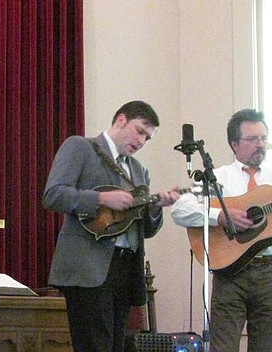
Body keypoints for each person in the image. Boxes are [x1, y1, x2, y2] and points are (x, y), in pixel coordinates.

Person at [171, 108, 272, 352]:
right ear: (234, 144)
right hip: (230, 273)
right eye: (252, 139)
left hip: (271, 273)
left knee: (265, 347)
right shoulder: (216, 178)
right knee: (223, 347)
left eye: (264, 138)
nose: (260, 145)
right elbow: (180, 209)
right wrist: (221, 217)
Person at [43, 100, 182, 352]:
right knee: (94, 346)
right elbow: (53, 194)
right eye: (140, 131)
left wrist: (155, 207)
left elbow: (145, 231)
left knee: (116, 346)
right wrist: (100, 198)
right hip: (88, 269)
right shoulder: (80, 147)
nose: (141, 142)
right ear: (120, 120)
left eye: (148, 138)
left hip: (125, 269)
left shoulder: (140, 171)